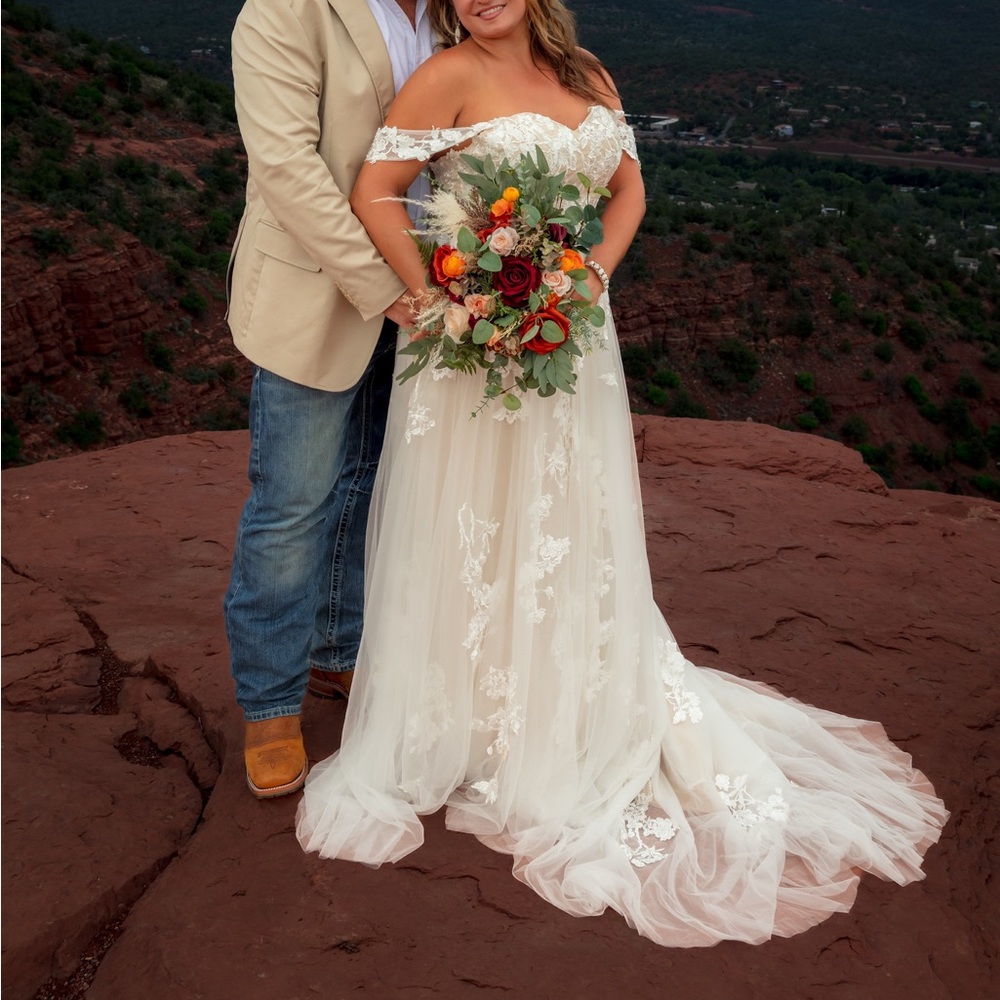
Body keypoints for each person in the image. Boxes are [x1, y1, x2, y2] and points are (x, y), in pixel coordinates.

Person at [296, 0, 948, 946]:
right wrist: (440, 294)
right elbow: (375, 191)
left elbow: (629, 189)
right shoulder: (444, 77)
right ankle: (469, 715)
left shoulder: (591, 74)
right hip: (476, 347)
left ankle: (571, 700)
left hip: (572, 337)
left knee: (571, 517)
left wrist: (592, 274)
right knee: (474, 517)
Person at [223, 0, 435, 799]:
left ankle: (339, 651)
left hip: (431, 294)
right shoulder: (284, 8)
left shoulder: (454, 12)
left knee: (372, 482)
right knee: (292, 505)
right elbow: (285, 169)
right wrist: (387, 287)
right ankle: (271, 704)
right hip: (324, 291)